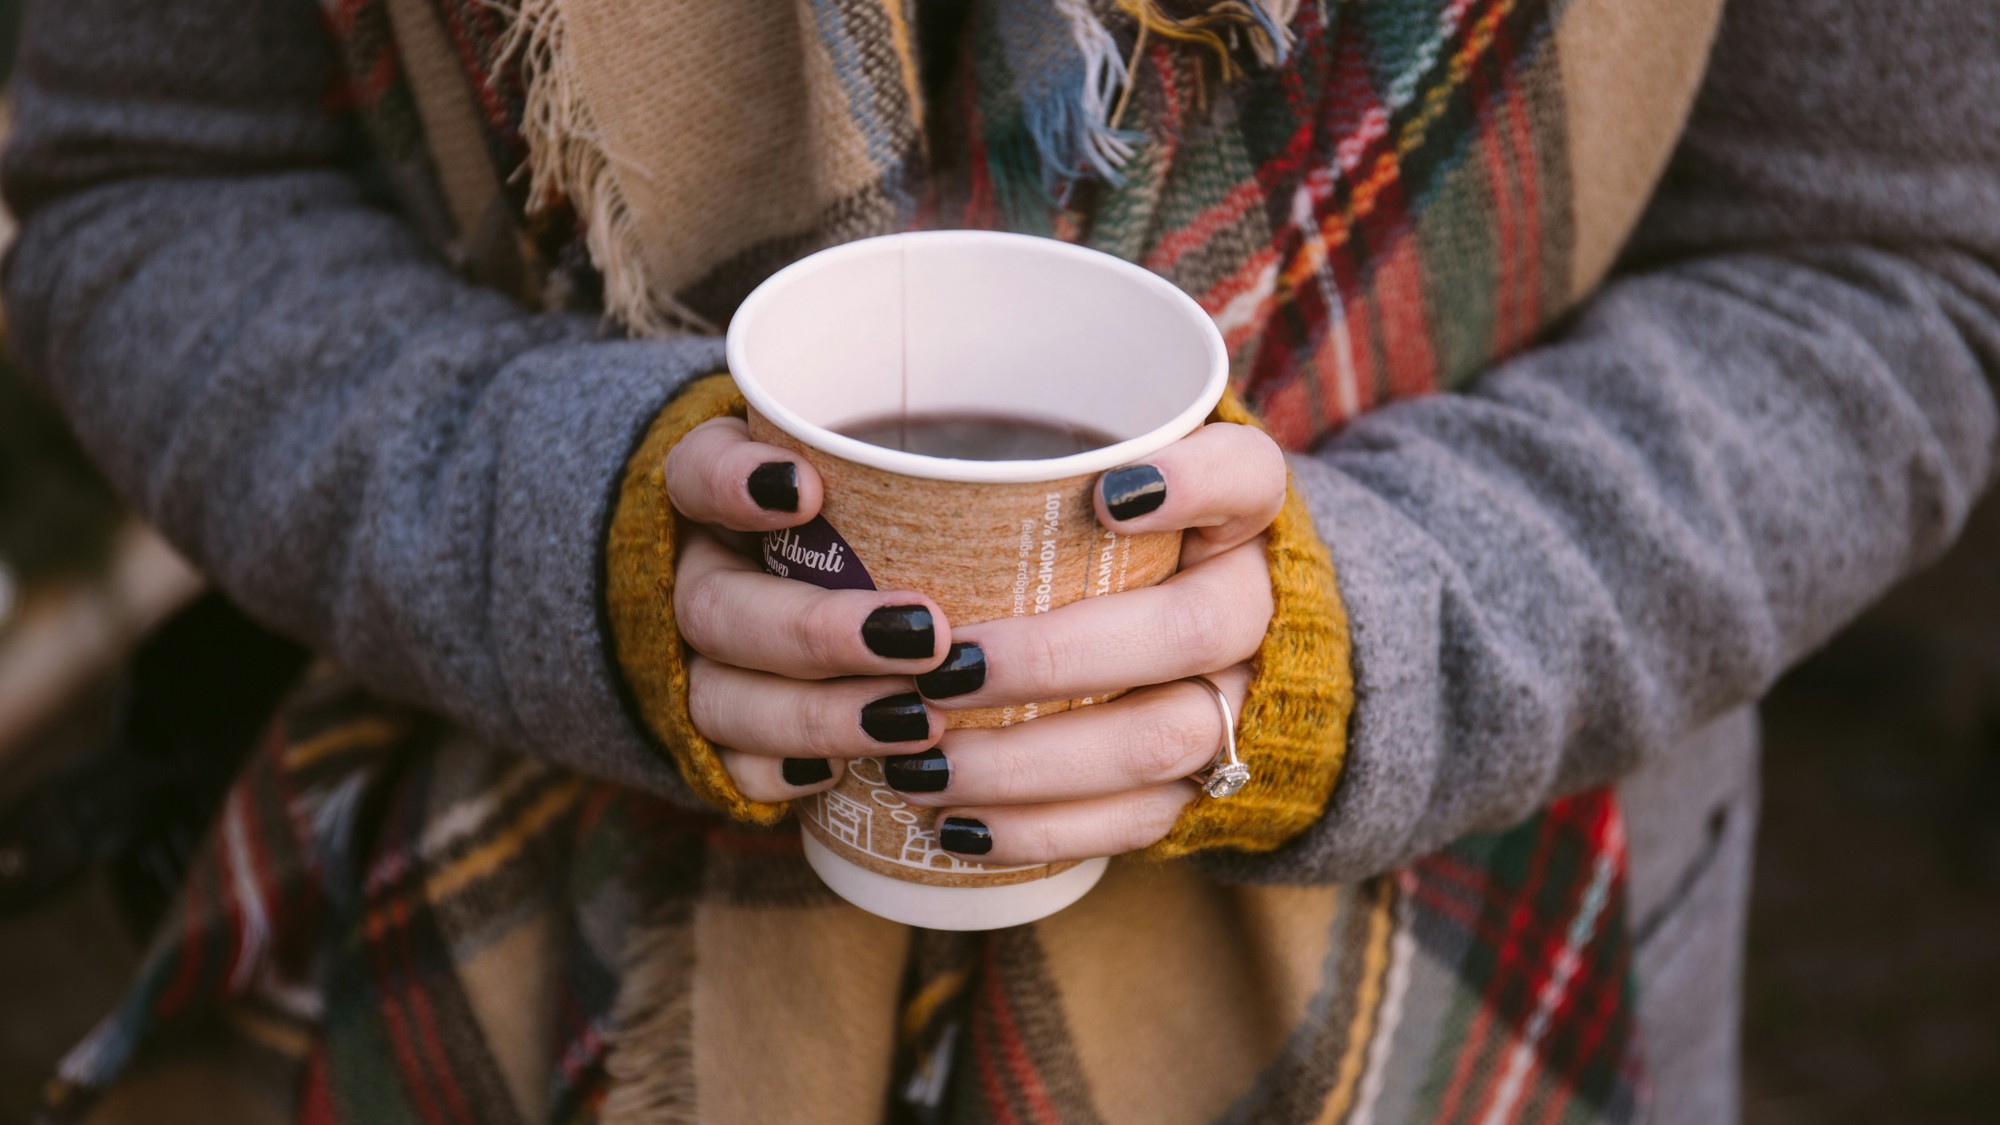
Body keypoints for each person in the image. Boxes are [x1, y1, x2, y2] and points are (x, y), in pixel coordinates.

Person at [4, 0, 1996, 1122]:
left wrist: (1374, 636)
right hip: (504, 1003)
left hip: (1462, 1004)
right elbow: (152, 182)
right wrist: (568, 535)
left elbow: (1891, 262)